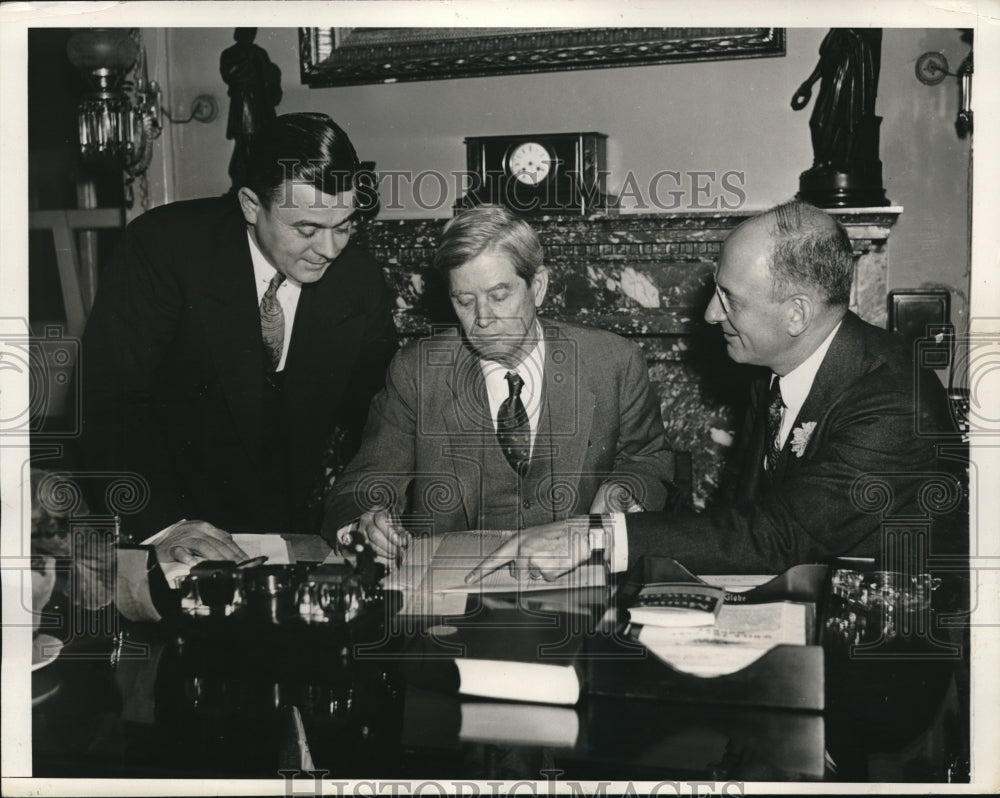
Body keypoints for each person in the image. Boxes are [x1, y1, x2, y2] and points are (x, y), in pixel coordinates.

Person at [467, 200, 963, 580]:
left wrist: (594, 538)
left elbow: (779, 536)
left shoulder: (894, 403)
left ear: (797, 313)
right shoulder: (775, 366)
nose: (710, 314)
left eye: (731, 299)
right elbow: (742, 514)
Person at [78, 112, 397, 564]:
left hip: (290, 533)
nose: (329, 250)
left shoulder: (359, 281)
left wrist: (366, 508)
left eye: (344, 226)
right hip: (167, 524)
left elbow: (384, 413)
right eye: (306, 229)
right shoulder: (163, 248)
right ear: (251, 205)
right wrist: (164, 525)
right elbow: (105, 401)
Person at [321, 205, 674, 560]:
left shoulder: (612, 360)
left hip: (578, 575)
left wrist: (622, 492)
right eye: (464, 301)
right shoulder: (416, 371)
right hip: (454, 588)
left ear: (537, 286)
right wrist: (363, 524)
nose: (483, 318)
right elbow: (362, 486)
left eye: (499, 296)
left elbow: (649, 458)